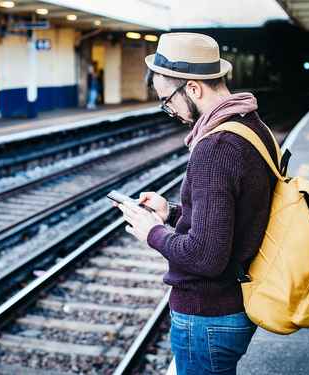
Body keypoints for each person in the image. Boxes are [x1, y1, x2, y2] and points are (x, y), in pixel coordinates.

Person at [116, 32, 279, 374]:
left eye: (167, 100)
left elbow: (205, 256)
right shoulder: (252, 126)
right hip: (233, 303)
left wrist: (153, 232)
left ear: (192, 88)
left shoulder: (215, 148)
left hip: (208, 314)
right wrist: (172, 212)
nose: (169, 110)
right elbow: (234, 218)